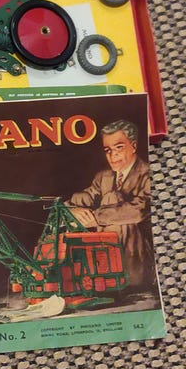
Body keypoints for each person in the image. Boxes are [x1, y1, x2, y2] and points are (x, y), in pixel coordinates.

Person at [66, 119, 154, 290]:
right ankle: (87, 275)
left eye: (119, 147)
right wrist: (73, 210)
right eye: (108, 150)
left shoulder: (148, 173)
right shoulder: (103, 176)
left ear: (133, 146)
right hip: (108, 250)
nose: (113, 155)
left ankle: (117, 277)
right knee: (79, 199)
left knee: (112, 198)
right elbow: (85, 196)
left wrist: (96, 218)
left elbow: (139, 210)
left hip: (140, 255)